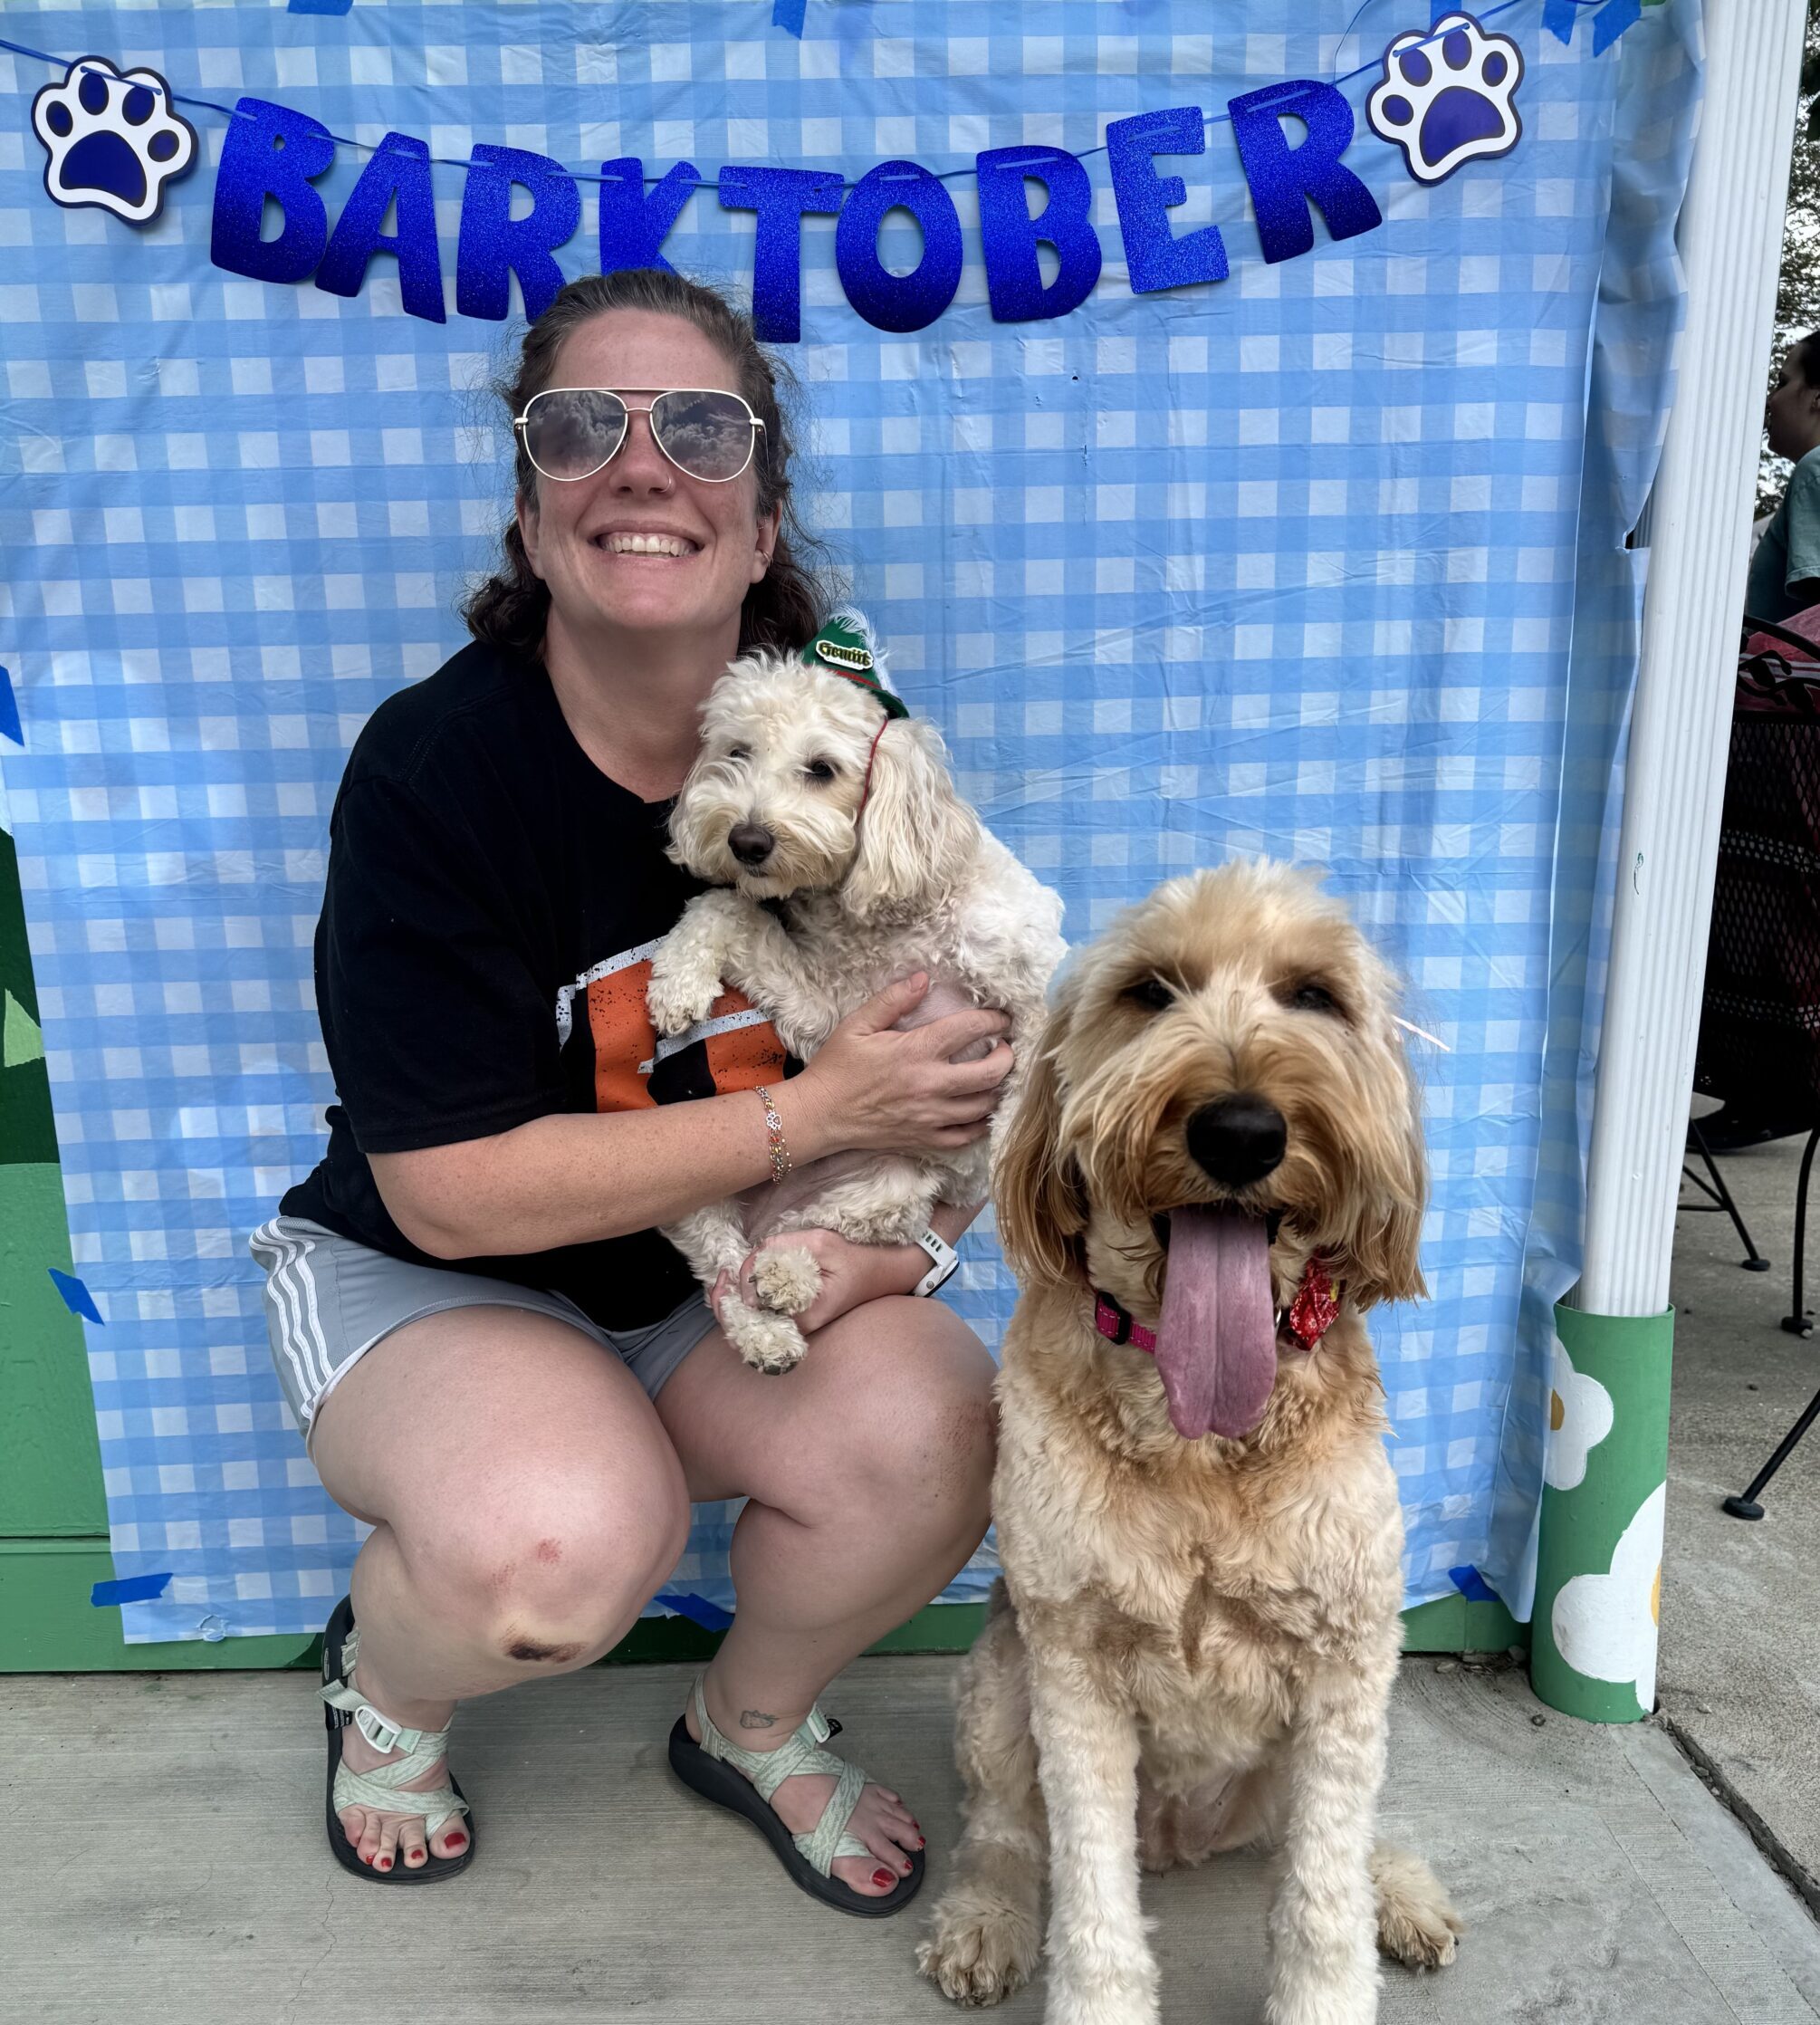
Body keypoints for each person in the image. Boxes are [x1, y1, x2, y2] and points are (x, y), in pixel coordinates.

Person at [248, 268, 1011, 1911]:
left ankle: (748, 1721)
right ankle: (390, 1687)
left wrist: (900, 1244)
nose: (642, 464)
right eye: (581, 427)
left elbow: (949, 1091)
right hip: (439, 1276)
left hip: (708, 1270)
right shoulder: (437, 774)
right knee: (557, 1546)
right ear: (533, 521)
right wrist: (818, 1120)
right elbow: (447, 1185)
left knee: (944, 1419)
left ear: (758, 522)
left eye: (703, 430)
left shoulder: (856, 764)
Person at [1700, 332, 1820, 1151]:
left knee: (1752, 901)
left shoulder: (1815, 471)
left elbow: (1811, 597)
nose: (1771, 399)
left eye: (1782, 381)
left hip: (1781, 725)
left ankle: (1767, 1083)